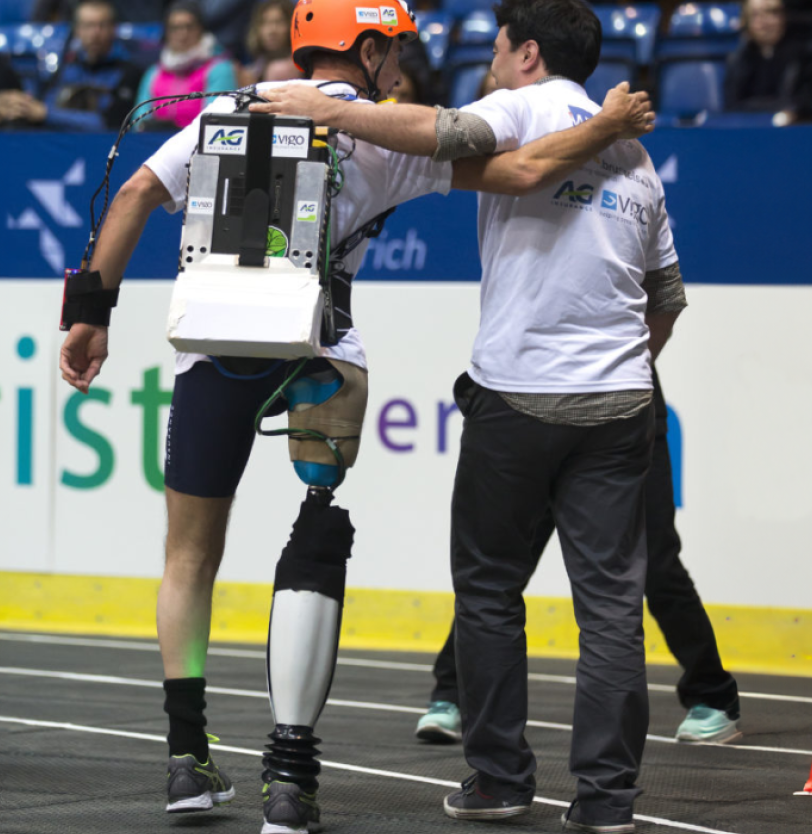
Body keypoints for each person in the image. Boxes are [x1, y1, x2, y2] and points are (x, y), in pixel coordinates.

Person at [58, 2, 654, 832]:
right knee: (317, 529)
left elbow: (131, 194)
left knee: (188, 557)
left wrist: (90, 316)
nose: (400, 68)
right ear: (367, 50)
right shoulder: (383, 135)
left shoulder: (230, 107)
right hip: (321, 349)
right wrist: (609, 126)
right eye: (394, 51)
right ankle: (290, 774)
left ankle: (186, 759)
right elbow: (523, 171)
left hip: (215, 350)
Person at [252, 0, 680, 828]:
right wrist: (615, 369)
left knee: (488, 592)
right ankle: (606, 799)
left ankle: (499, 780)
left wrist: (325, 108)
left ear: (528, 54)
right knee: (610, 609)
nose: (488, 61)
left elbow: (437, 132)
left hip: (517, 397)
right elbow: (664, 300)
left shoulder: (518, 107)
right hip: (620, 404)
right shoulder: (636, 154)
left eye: (496, 48)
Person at [415, 367, 741, 750]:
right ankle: (452, 692)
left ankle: (711, 694)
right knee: (502, 568)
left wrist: (614, 363)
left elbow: (659, 323)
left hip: (618, 407)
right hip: (532, 408)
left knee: (655, 562)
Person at [0, 0, 142, 130]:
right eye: (88, 26)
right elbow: (46, 104)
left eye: (102, 25)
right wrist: (20, 106)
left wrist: (45, 114)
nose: (95, 33)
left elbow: (111, 124)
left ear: (113, 29)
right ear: (77, 30)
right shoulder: (67, 67)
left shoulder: (129, 72)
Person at [133, 2, 238, 130]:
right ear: (167, 32)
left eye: (189, 26)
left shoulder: (220, 69)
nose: (182, 34)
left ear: (200, 29)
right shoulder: (153, 73)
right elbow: (139, 122)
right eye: (175, 28)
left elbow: (215, 121)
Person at [724, 0, 812, 118]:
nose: (765, 22)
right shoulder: (739, 59)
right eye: (756, 15)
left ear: (784, 18)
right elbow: (734, 105)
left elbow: (802, 103)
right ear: (745, 22)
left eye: (773, 13)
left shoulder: (805, 56)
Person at [237, 0, 293, 87]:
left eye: (279, 22)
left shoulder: (284, 69)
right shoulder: (259, 63)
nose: (271, 30)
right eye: (265, 23)